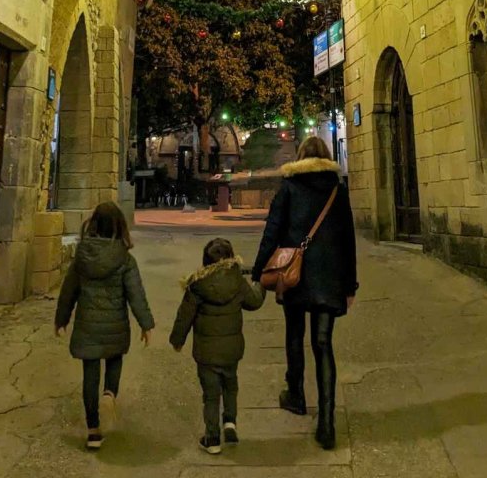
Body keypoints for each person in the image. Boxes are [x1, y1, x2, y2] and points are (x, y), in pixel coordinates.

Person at [251, 136, 357, 451]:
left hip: (294, 275)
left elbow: (272, 231)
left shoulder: (289, 188)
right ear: (326, 158)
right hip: (330, 276)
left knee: (294, 334)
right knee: (323, 343)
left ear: (299, 158)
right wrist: (350, 284)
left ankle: (295, 394)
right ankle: (326, 422)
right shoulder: (338, 190)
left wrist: (259, 272)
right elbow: (347, 239)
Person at [55, 202, 155, 451]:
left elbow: (69, 291)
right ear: (119, 226)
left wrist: (61, 320)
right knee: (114, 359)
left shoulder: (82, 257)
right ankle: (109, 394)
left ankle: (93, 431)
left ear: (93, 224)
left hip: (88, 324)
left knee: (90, 373)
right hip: (115, 323)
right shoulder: (124, 258)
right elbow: (136, 294)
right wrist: (146, 324)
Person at [170, 237, 265, 454]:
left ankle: (212, 439)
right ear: (231, 259)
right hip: (232, 351)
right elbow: (254, 302)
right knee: (230, 385)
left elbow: (184, 316)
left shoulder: (196, 285)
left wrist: (177, 340)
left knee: (211, 395)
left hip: (206, 353)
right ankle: (230, 422)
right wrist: (261, 285)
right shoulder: (238, 281)